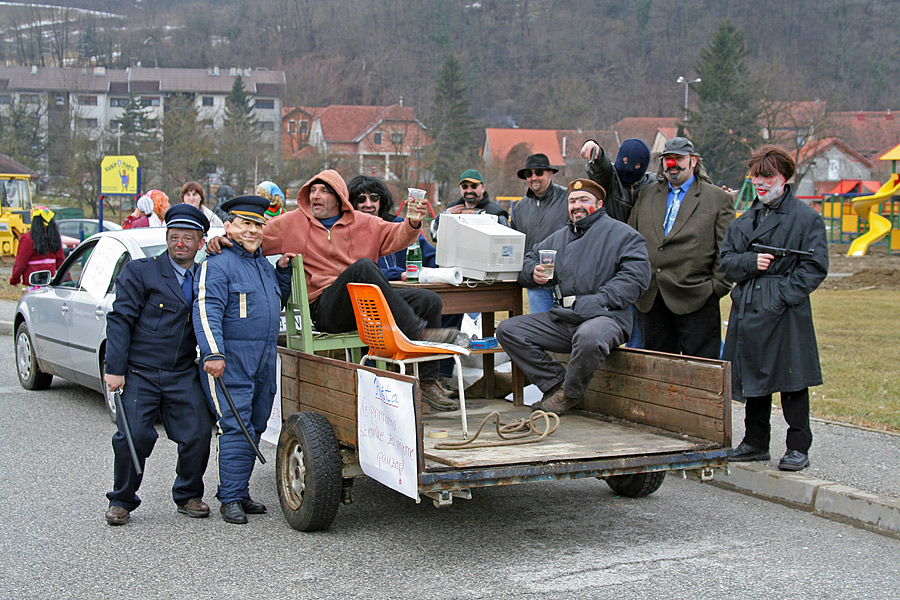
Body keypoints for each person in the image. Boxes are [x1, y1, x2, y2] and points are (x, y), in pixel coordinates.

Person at [209, 169, 460, 412]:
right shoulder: (291, 223)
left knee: (428, 300)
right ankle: (416, 332)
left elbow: (398, 235)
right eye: (312, 191)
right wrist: (224, 239)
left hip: (363, 306)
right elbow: (253, 235)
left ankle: (427, 382)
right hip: (326, 308)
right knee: (362, 268)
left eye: (324, 192)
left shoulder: (364, 223)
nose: (315, 196)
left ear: (339, 197)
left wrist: (413, 221)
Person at [496, 179, 651, 414]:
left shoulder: (623, 235)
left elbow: (636, 278)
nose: (577, 205)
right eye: (572, 201)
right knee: (509, 330)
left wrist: (599, 300)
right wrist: (532, 272)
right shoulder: (558, 238)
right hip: (565, 317)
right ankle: (556, 384)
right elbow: (528, 259)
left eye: (584, 200)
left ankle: (570, 393)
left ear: (599, 204)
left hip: (606, 317)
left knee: (589, 336)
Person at [102, 204, 214, 526]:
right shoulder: (141, 272)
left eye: (188, 238)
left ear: (201, 242)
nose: (180, 243)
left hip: (181, 372)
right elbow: (120, 319)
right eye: (174, 236)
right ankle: (122, 500)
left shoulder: (206, 276)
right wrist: (115, 368)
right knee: (133, 435)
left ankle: (189, 494)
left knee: (197, 432)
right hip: (140, 372)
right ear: (166, 238)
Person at [721, 146, 828, 472]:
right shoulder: (746, 220)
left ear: (784, 177)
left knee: (793, 379)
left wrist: (780, 295)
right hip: (749, 309)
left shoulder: (806, 218)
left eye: (767, 177)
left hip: (785, 313)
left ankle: (798, 446)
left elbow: (815, 267)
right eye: (756, 177)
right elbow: (726, 261)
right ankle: (755, 442)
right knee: (753, 379)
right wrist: (751, 262)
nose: (760, 183)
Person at [194, 195, 291, 524]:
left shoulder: (262, 265)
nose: (253, 231)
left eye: (258, 225)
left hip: (263, 360)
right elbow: (207, 311)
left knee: (257, 423)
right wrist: (213, 353)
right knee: (235, 426)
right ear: (229, 226)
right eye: (246, 224)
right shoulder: (217, 263)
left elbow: (273, 303)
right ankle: (230, 497)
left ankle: (241, 489)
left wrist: (283, 274)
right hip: (230, 361)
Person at [627, 136, 735, 359]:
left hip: (697, 299)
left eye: (678, 158)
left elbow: (726, 248)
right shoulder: (646, 194)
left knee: (701, 371)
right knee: (658, 370)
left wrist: (716, 288)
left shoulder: (717, 199)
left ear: (693, 161)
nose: (672, 164)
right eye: (667, 159)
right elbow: (631, 240)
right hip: (651, 299)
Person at [580, 138, 655, 347]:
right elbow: (601, 170)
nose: (629, 169)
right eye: (624, 161)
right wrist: (596, 152)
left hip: (641, 261)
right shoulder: (611, 179)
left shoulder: (653, 184)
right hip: (609, 259)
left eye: (637, 166)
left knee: (640, 325)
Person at [509, 153, 568, 313]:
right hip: (536, 284)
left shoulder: (568, 200)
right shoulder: (520, 208)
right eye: (529, 174)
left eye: (539, 172)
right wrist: (528, 271)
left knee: (568, 333)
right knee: (540, 332)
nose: (534, 177)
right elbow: (515, 248)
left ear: (550, 173)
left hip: (566, 282)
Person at [431, 169, 509, 241]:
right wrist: (444, 216)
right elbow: (435, 235)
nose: (469, 190)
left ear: (483, 188)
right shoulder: (451, 209)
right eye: (464, 187)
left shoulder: (497, 213)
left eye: (474, 186)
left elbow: (507, 241)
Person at [10, 206, 65, 285]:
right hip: (50, 282)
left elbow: (21, 263)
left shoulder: (28, 238)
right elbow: (61, 261)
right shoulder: (54, 236)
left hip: (33, 282)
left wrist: (15, 279)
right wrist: (67, 279)